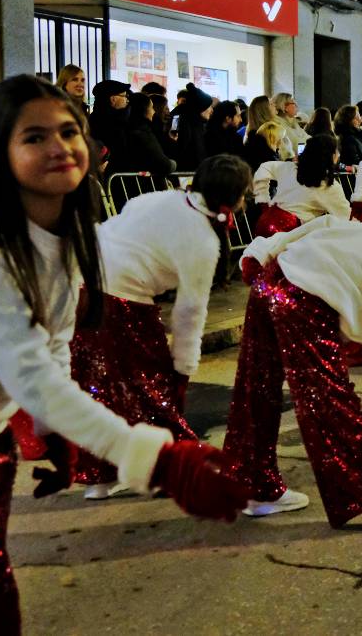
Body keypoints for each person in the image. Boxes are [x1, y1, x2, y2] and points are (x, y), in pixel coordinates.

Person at [0, 75, 247, 633]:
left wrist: (58, 434)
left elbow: (57, 341)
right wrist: (156, 459)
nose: (59, 147)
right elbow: (32, 374)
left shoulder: (68, 230)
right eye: (34, 137)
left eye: (69, 131)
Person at [222, 216, 362, 528]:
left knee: (257, 387)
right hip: (303, 298)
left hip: (271, 278)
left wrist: (264, 250)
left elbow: (326, 222)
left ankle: (255, 487)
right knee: (327, 399)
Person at [72, 154, 252, 499]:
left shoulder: (160, 198)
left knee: (98, 386)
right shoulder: (202, 240)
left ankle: (102, 475)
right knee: (152, 390)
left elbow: (120, 223)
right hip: (124, 302)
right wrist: (183, 368)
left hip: (86, 287)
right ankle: (172, 469)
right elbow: (189, 310)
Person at [252, 133, 350, 236]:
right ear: (332, 156)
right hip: (292, 232)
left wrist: (262, 201)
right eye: (337, 151)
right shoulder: (330, 187)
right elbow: (347, 217)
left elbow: (265, 168)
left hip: (264, 222)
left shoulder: (289, 168)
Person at [108, 91, 176, 182]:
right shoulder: (142, 132)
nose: (153, 111)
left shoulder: (121, 128)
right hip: (144, 186)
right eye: (151, 108)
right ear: (144, 110)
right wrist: (173, 164)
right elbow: (163, 164)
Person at [171, 83, 213, 171]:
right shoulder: (180, 120)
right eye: (209, 106)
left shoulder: (198, 123)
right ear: (201, 107)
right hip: (185, 173)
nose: (211, 110)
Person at [88, 79, 130, 166]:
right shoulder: (112, 122)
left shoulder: (95, 118)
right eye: (125, 96)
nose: (127, 100)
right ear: (113, 99)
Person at [335, 104, 362, 170]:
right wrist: (349, 168)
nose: (360, 120)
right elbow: (340, 164)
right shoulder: (347, 139)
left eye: (360, 117)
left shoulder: (355, 137)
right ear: (348, 120)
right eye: (357, 118)